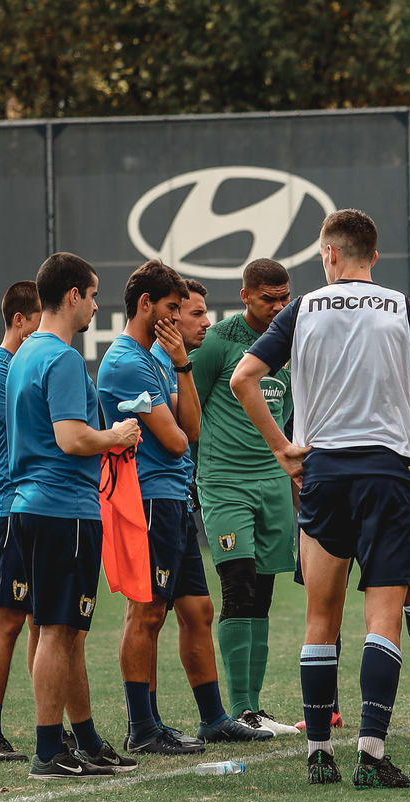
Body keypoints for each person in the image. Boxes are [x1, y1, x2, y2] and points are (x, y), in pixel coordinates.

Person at [231, 208, 410, 788]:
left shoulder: (302, 308)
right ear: (374, 256)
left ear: (330, 255)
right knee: (383, 618)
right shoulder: (400, 306)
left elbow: (243, 378)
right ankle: (371, 753)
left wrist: (284, 448)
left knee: (320, 617)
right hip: (389, 475)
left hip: (325, 474)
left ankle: (318, 754)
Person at [115, 276, 268, 746]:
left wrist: (182, 363)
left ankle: (213, 719)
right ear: (151, 307)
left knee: (199, 610)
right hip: (146, 499)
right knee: (147, 613)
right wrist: (179, 373)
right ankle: (142, 727)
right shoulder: (126, 362)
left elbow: (193, 427)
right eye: (186, 310)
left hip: (173, 498)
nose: (201, 320)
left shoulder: (160, 361)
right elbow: (179, 439)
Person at [8, 252, 141, 778]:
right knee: (60, 630)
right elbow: (72, 438)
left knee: (63, 629)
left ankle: (83, 739)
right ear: (71, 297)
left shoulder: (24, 353)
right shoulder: (61, 357)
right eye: (91, 294)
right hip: (64, 508)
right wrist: (118, 434)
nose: (95, 305)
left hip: (32, 506)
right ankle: (48, 749)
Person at [189, 259, 299, 736]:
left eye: (284, 298)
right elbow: (187, 406)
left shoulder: (294, 340)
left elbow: (292, 410)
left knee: (264, 592)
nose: (278, 307)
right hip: (224, 481)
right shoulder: (218, 342)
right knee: (237, 585)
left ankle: (253, 709)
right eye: (267, 299)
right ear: (245, 296)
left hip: (274, 480)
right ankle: (239, 710)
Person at [0, 281, 41, 761]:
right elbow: (32, 428)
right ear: (20, 320)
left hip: (39, 508)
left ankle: (49, 724)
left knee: (47, 622)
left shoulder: (30, 364)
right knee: (8, 619)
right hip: (8, 508)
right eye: (40, 317)